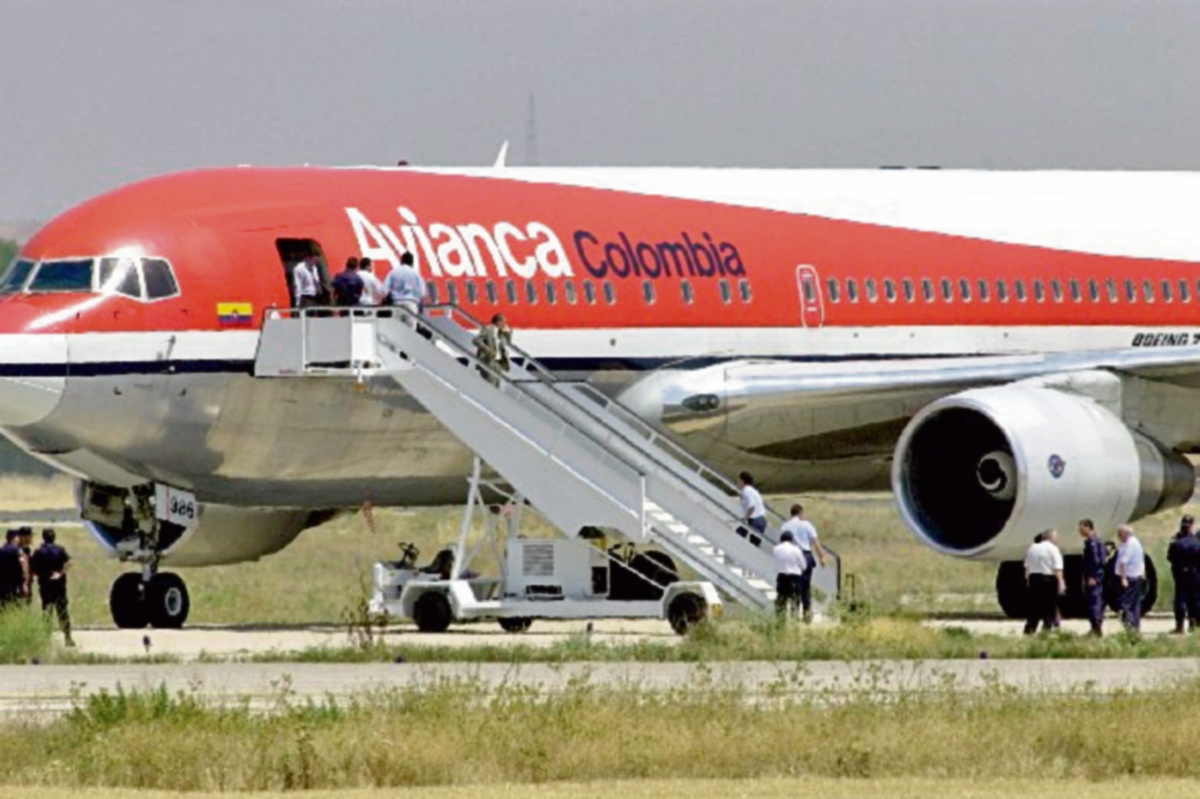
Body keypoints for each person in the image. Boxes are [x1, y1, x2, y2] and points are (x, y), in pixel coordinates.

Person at [780, 503, 826, 622]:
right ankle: (806, 614)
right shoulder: (807, 525)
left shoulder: (785, 526)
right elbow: (815, 541)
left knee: (793, 586)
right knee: (805, 587)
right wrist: (821, 556)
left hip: (791, 556)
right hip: (806, 555)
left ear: (791, 513)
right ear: (800, 513)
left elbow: (782, 543)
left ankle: (794, 613)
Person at [29, 528, 73, 646]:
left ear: (43, 537)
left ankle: (47, 638)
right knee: (62, 611)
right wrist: (60, 573)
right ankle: (68, 637)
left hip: (45, 585)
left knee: (47, 611)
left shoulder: (39, 551)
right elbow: (69, 563)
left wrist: (44, 574)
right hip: (59, 585)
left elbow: (33, 568)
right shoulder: (60, 549)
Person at [1023, 529, 1064, 635]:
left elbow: (1027, 567)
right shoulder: (1053, 549)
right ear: (1051, 537)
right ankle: (1047, 628)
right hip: (1048, 579)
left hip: (1034, 578)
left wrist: (1028, 581)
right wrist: (1060, 584)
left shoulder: (1032, 548)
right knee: (1049, 606)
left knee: (1034, 606)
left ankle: (1029, 629)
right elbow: (1057, 569)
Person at [1166, 515, 1200, 634]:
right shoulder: (1197, 542)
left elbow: (1170, 557)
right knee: (1194, 599)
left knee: (1180, 599)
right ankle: (1194, 624)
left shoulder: (1176, 542)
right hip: (1195, 574)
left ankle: (1179, 626)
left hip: (1181, 574)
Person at [1115, 524, 1146, 633]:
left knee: (1126, 604)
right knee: (1134, 604)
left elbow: (1123, 562)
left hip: (1129, 578)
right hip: (1135, 577)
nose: (1118, 536)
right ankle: (1135, 627)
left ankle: (1130, 627)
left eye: (1120, 534)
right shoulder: (1135, 543)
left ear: (1125, 534)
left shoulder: (1129, 544)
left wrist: (1123, 578)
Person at [1078, 518, 1106, 637]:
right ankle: (1095, 628)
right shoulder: (1095, 540)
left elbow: (1095, 560)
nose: (1079, 531)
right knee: (1095, 601)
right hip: (1095, 575)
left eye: (1081, 528)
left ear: (1088, 527)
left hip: (1093, 577)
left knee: (1093, 602)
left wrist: (1092, 576)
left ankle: (1096, 629)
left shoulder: (1092, 542)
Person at [772, 530, 806, 619]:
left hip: (782, 576)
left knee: (781, 599)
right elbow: (803, 566)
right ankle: (794, 618)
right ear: (791, 540)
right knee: (795, 599)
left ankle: (780, 619)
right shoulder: (796, 550)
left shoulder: (776, 549)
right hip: (794, 577)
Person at [381, 251, 425, 320]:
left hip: (397, 303)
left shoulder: (393, 272)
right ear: (412, 262)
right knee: (411, 326)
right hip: (411, 303)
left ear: (401, 261)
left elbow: (384, 290)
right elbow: (422, 293)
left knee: (396, 325)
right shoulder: (416, 274)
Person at [473, 313, 513, 384]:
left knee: (497, 384)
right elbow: (476, 340)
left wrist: (508, 333)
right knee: (489, 384)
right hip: (489, 360)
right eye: (503, 322)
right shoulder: (488, 329)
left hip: (499, 363)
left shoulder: (501, 332)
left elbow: (507, 343)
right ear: (498, 321)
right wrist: (488, 350)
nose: (504, 324)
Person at [0, 529, 29, 608]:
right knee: (16, 605)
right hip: (15, 584)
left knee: (4, 607)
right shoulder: (17, 549)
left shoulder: (1, 549)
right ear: (14, 537)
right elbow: (23, 564)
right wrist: (25, 582)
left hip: (3, 584)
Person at [737, 471, 767, 547]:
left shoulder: (746, 491)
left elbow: (751, 506)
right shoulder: (752, 490)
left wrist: (745, 517)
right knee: (753, 544)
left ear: (742, 481)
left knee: (739, 535)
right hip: (761, 520)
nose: (738, 482)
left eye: (739, 480)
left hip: (755, 520)